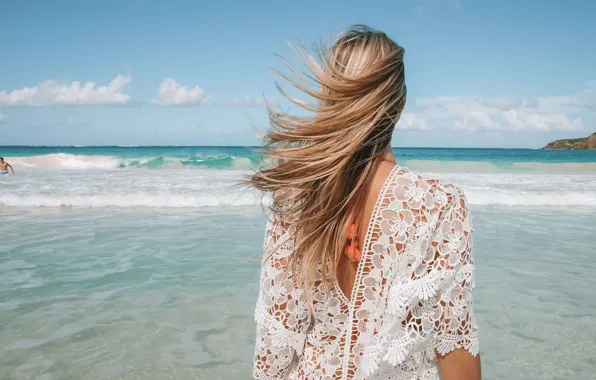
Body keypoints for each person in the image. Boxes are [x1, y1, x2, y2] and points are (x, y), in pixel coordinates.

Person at [249, 25, 480, 380]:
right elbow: (455, 351)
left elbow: (275, 351)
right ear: (399, 103)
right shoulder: (438, 204)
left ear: (330, 99)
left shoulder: (295, 199)